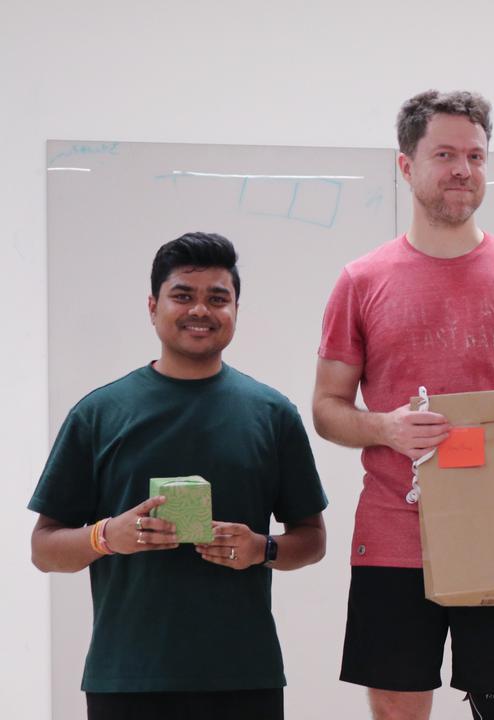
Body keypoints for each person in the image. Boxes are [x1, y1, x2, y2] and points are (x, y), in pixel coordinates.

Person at [313, 89, 494, 720]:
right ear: (406, 166)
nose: (463, 169)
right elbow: (327, 407)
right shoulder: (362, 281)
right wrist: (384, 427)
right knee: (399, 710)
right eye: (445, 154)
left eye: (476, 155)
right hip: (392, 539)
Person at [28, 232, 329, 720]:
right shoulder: (99, 413)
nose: (200, 311)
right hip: (127, 677)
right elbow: (43, 549)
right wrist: (107, 536)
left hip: (242, 675)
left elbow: (312, 539)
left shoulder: (272, 414)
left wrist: (262, 548)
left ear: (235, 309)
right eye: (183, 296)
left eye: (218, 298)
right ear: (153, 306)